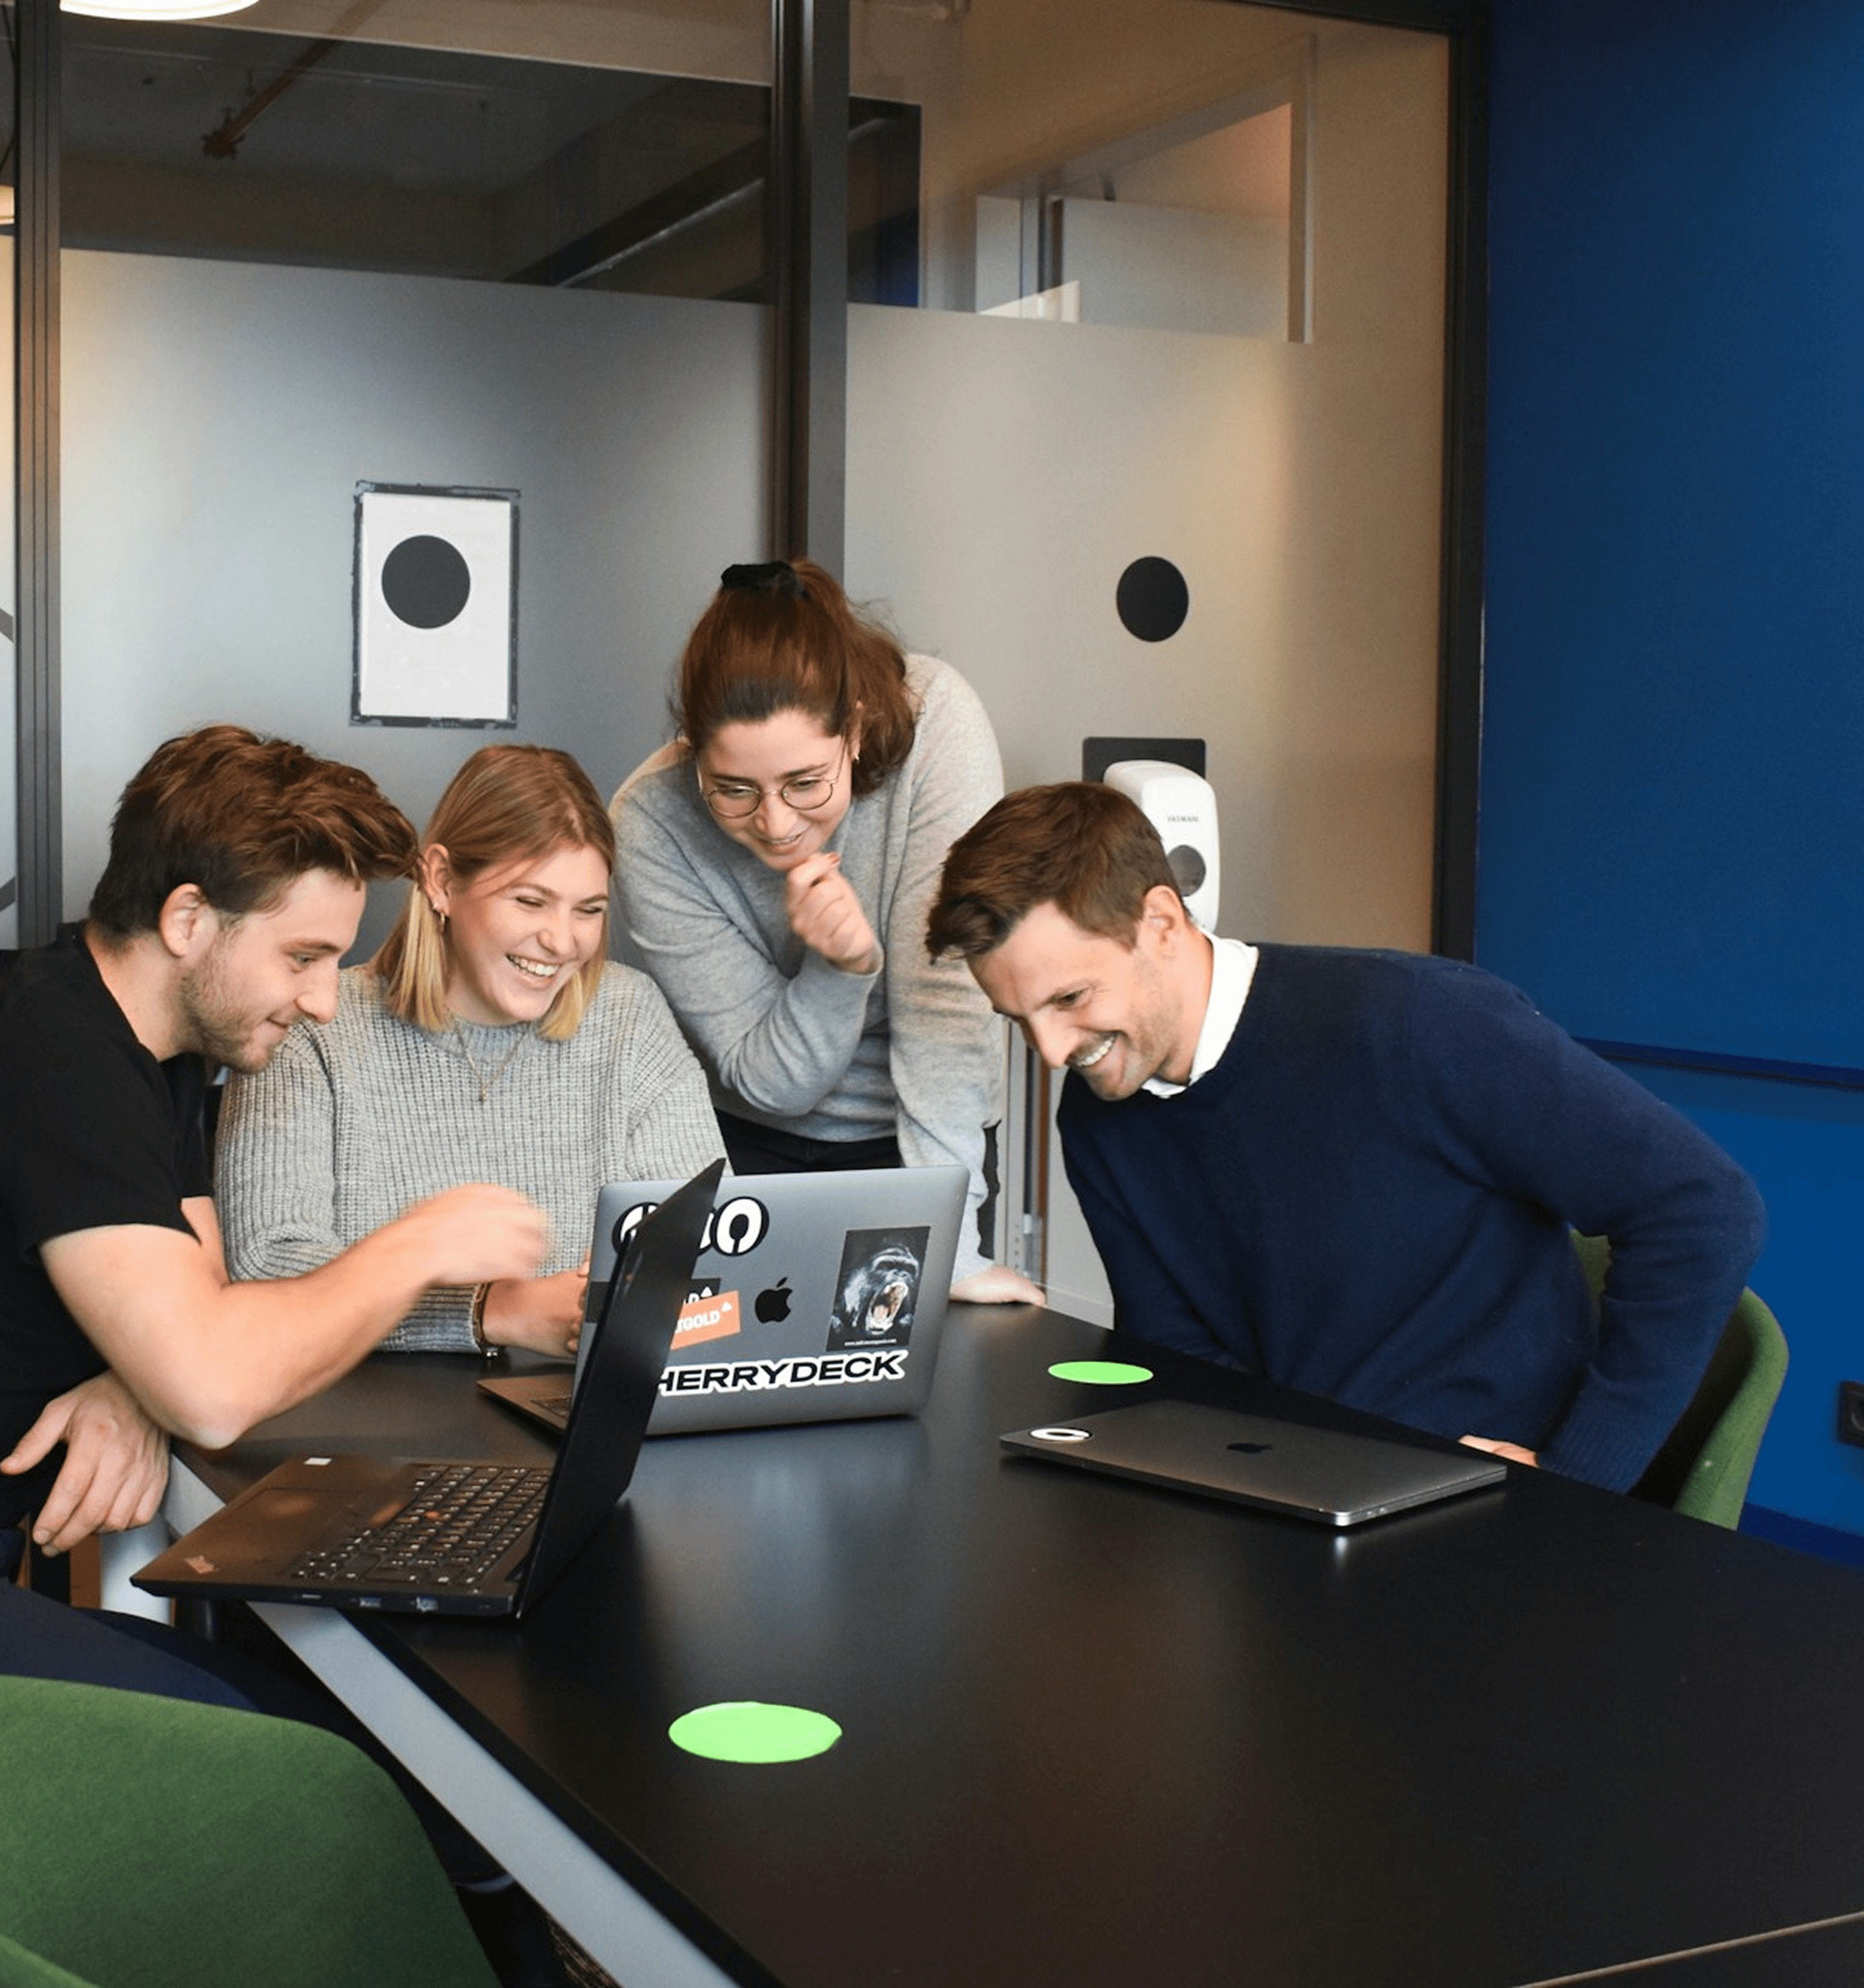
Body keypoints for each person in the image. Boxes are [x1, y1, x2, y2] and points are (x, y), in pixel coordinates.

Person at [0, 726, 548, 1728]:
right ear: (186, 919)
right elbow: (214, 1389)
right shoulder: (55, 1053)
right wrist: (419, 1244)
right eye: (303, 957)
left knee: (351, 1726)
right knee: (312, 1754)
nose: (321, 1002)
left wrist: (138, 1379)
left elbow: (199, 1296)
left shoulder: (147, 1048)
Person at [925, 779, 1768, 1493]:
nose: (1050, 1052)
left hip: (1490, 1508)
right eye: (1017, 1019)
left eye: (1069, 999)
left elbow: (1702, 1209)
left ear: (1162, 923)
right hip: (1307, 1500)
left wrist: (1579, 1479)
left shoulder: (1415, 1024)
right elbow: (1180, 1359)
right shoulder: (1101, 1116)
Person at [609, 558, 1042, 1306]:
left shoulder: (937, 720)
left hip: (929, 1143)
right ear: (692, 751)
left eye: (805, 783)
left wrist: (953, 1250)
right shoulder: (651, 822)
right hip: (748, 1144)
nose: (775, 824)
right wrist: (841, 968)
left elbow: (947, 1005)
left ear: (858, 727)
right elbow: (771, 1080)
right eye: (733, 790)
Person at [218, 743, 724, 1354]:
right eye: (529, 901)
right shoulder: (309, 1026)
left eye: (587, 909)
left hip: (569, 1409)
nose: (561, 941)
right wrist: (489, 1310)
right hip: (360, 1415)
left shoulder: (628, 1017)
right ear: (440, 880)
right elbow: (267, 1267)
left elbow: (717, 1253)